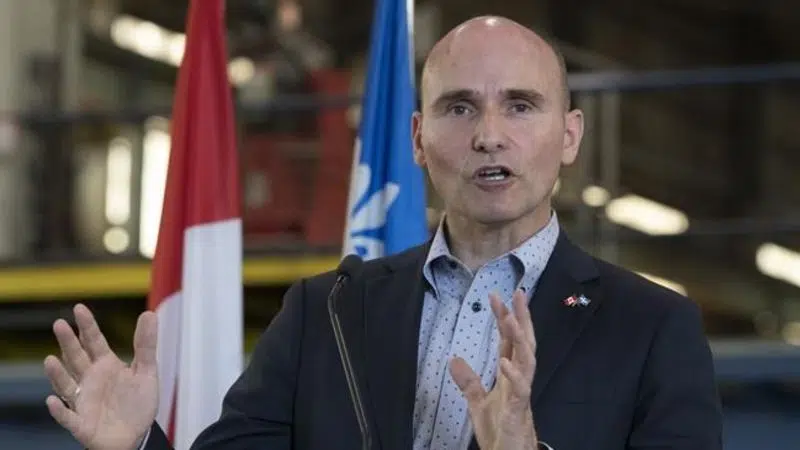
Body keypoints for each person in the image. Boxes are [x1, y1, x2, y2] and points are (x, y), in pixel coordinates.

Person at [42, 15, 723, 450]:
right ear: (418, 138)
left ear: (569, 136)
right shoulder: (325, 312)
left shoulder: (653, 328)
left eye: (520, 106)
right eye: (459, 108)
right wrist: (138, 443)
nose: (489, 135)